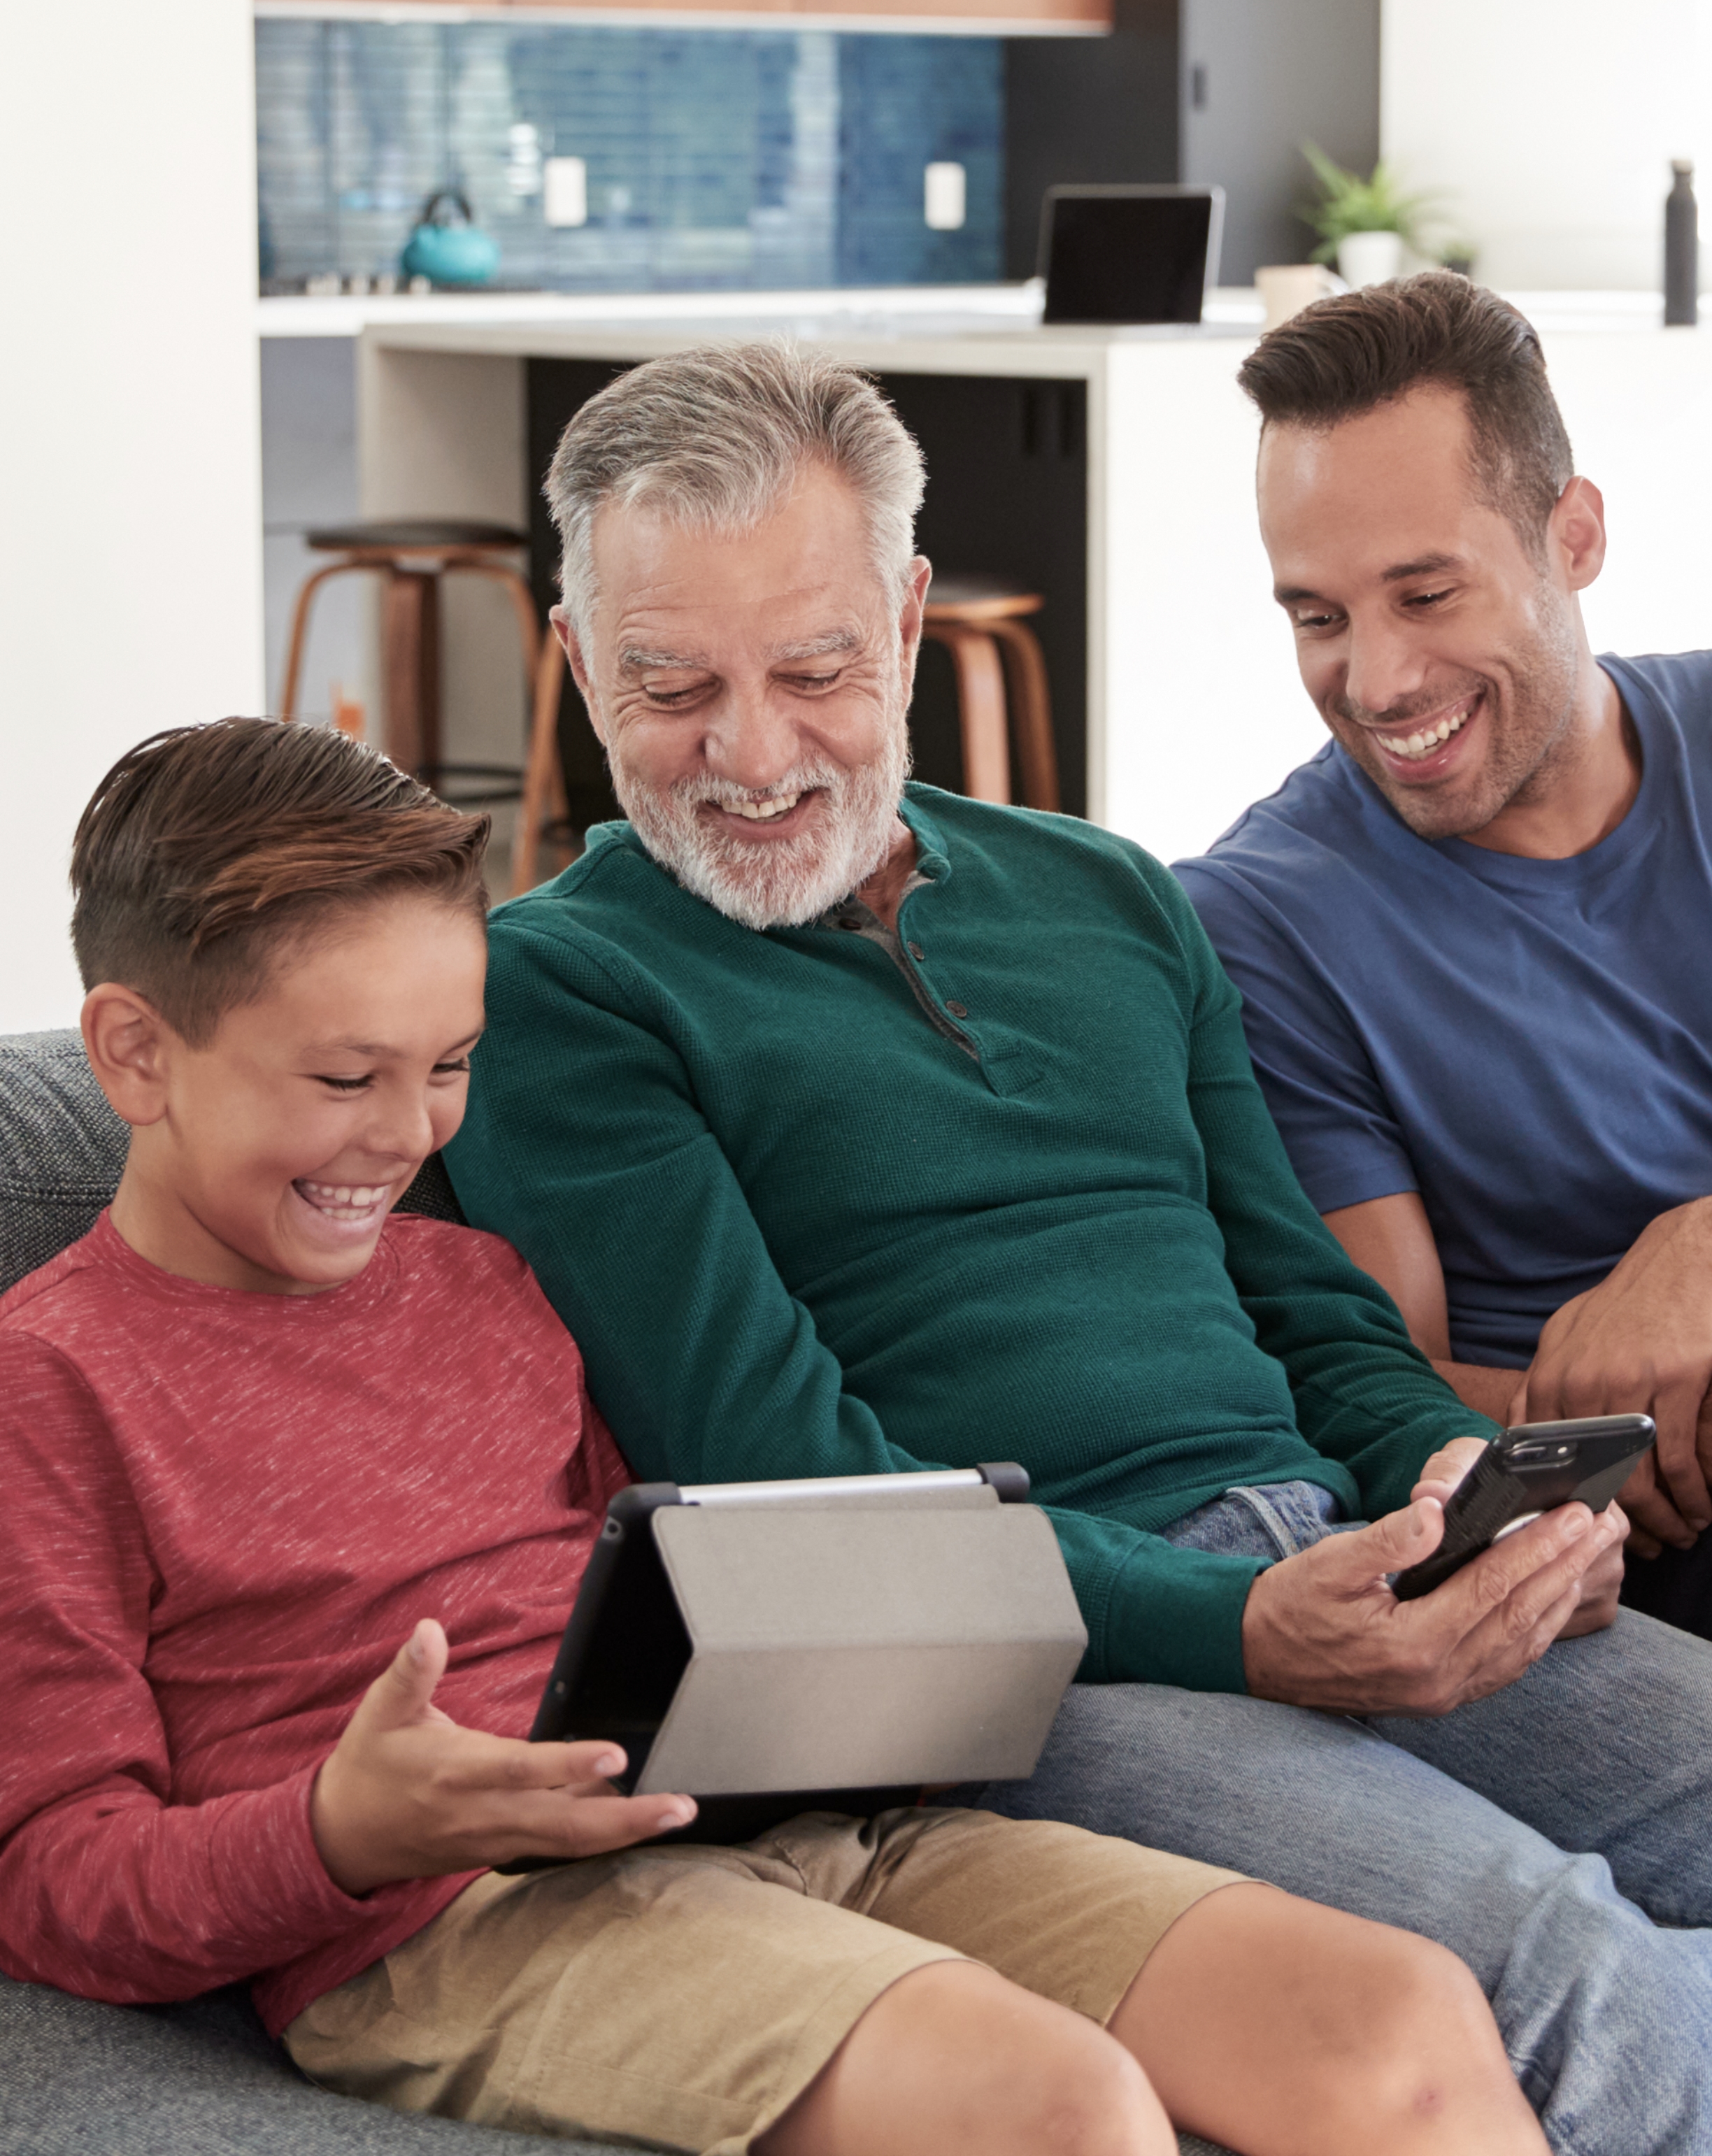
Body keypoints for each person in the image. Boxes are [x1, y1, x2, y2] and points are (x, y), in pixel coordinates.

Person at [446, 337, 1712, 2156]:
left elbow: (1317, 1320)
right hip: (1041, 1676)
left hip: (1342, 1562)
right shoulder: (557, 994)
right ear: (578, 666)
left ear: (907, 622)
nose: (752, 755)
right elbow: (798, 1496)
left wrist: (1463, 1490)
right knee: (1567, 1973)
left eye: (814, 671)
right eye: (671, 687)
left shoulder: (1109, 893)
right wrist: (1242, 1629)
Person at [0, 715, 1546, 2156]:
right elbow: (53, 1876)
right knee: (1046, 2101)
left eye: (451, 1066)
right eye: (348, 1078)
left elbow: (672, 1573)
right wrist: (339, 1830)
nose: (408, 1134)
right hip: (447, 1921)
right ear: (133, 1052)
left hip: (783, 1826)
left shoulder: (482, 1284)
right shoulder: (50, 1385)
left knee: (1394, 2012)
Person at [1174, 271, 1712, 1639]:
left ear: (1573, 536)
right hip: (1626, 1538)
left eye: (1425, 594)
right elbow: (1384, 1380)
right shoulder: (1262, 923)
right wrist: (1642, 1426)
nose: (1377, 682)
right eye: (1319, 617)